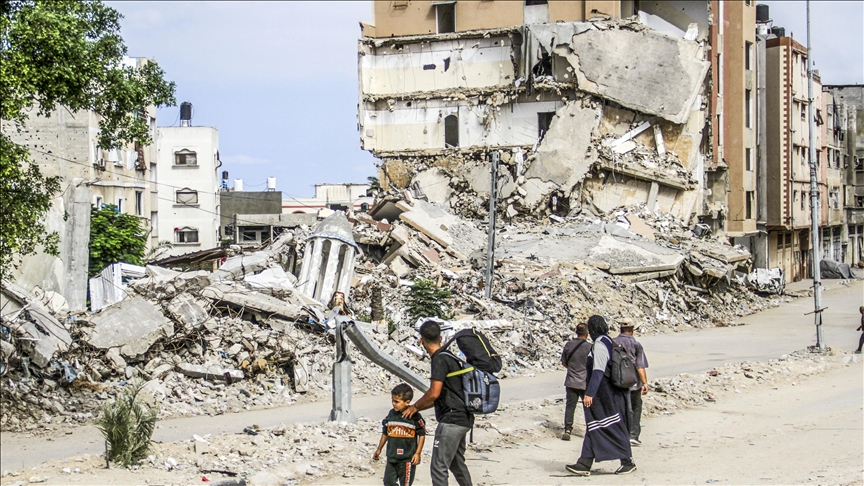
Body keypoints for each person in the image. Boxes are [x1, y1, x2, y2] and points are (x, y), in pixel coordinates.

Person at [402, 320, 473, 486]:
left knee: (438, 467)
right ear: (440, 338)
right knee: (456, 464)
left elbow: (434, 393)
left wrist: (414, 407)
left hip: (451, 421)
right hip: (464, 418)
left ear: (421, 340)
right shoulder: (451, 357)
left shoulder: (439, 360)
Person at [566, 315, 636, 476]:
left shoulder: (599, 344)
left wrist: (589, 393)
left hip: (604, 394)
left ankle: (627, 460)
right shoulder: (608, 340)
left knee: (610, 425)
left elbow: (598, 371)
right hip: (608, 392)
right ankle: (584, 462)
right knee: (595, 425)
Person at [373, 383, 427, 486]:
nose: (393, 404)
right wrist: (379, 449)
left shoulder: (415, 416)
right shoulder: (391, 414)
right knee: (388, 482)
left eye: (397, 402)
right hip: (392, 457)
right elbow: (385, 433)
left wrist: (418, 453)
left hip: (407, 460)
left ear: (407, 402)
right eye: (392, 400)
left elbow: (422, 434)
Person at [613, 319, 649, 446]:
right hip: (633, 383)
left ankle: (619, 435)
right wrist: (644, 383)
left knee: (619, 408)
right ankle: (633, 435)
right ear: (633, 330)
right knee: (635, 407)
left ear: (620, 329)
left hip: (616, 382)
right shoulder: (636, 345)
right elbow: (640, 366)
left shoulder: (613, 343)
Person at [560, 323, 591, 441]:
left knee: (570, 406)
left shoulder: (569, 345)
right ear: (587, 333)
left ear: (576, 332)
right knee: (588, 407)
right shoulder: (590, 347)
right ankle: (590, 429)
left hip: (571, 381)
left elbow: (564, 363)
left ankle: (567, 430)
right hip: (585, 382)